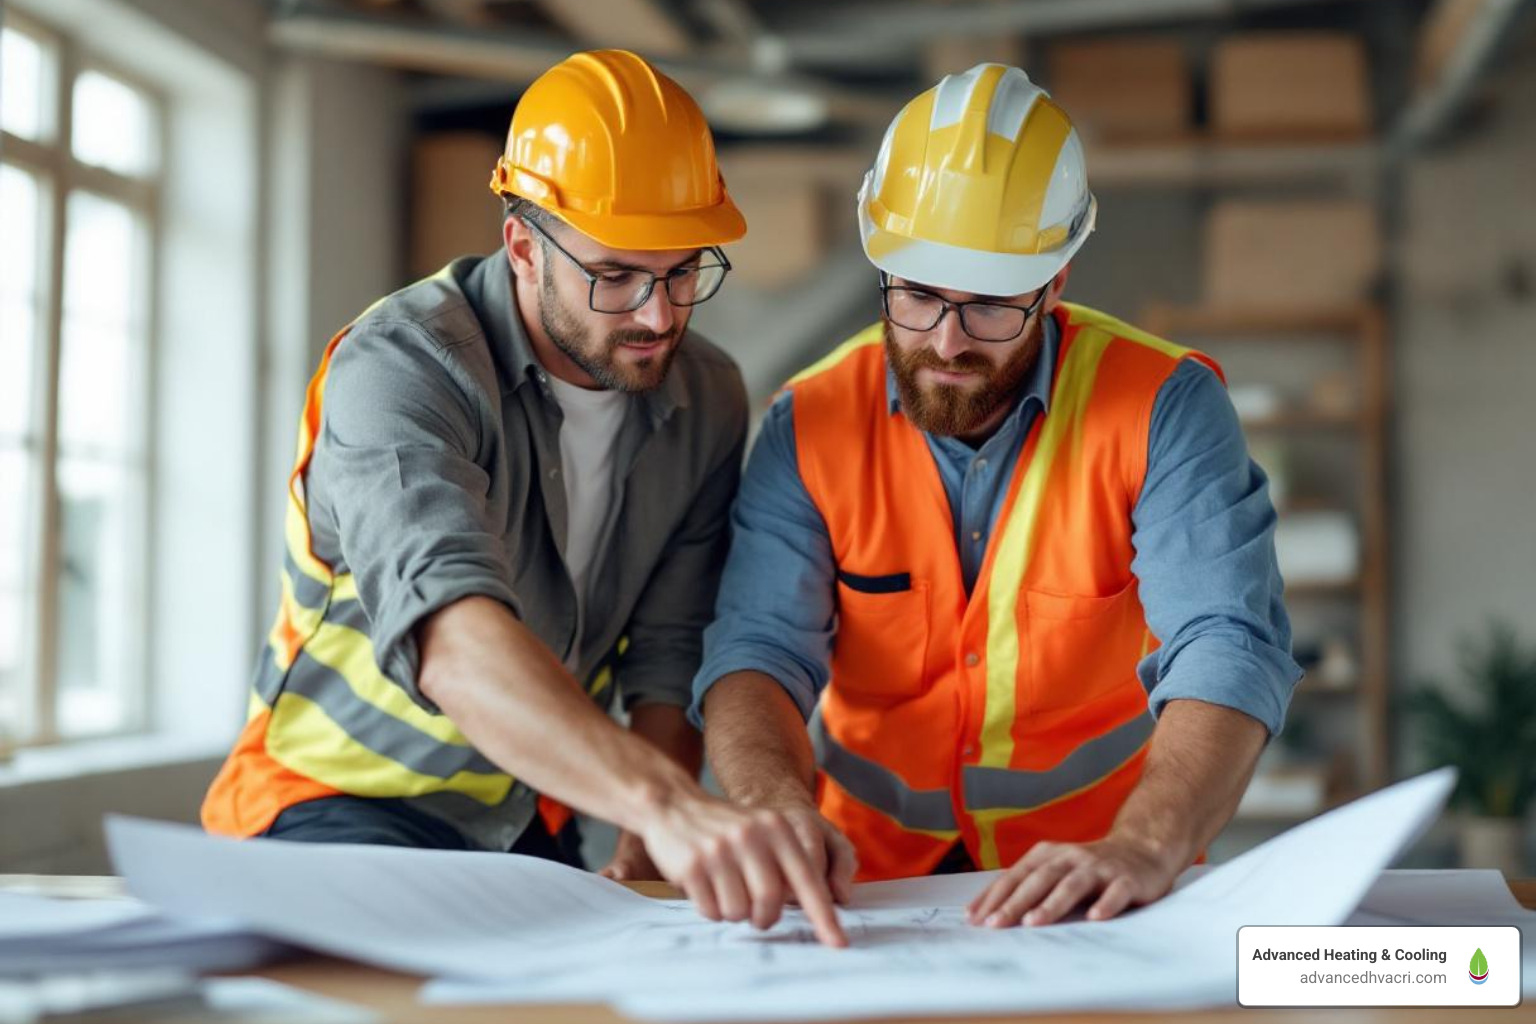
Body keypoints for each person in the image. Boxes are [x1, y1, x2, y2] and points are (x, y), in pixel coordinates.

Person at [202, 49, 846, 947]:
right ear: (521, 247)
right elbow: (451, 638)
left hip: (529, 820)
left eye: (682, 273)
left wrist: (643, 840)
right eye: (615, 275)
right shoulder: (400, 367)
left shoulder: (707, 396)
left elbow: (666, 654)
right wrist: (664, 803)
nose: (657, 316)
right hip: (336, 801)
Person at [692, 63, 1303, 930]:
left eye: (987, 307)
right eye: (917, 296)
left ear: (1053, 286)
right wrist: (766, 801)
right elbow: (756, 650)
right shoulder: (808, 422)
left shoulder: (1163, 405)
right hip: (866, 880)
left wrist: (1148, 843)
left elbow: (1229, 640)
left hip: (1097, 881)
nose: (946, 341)